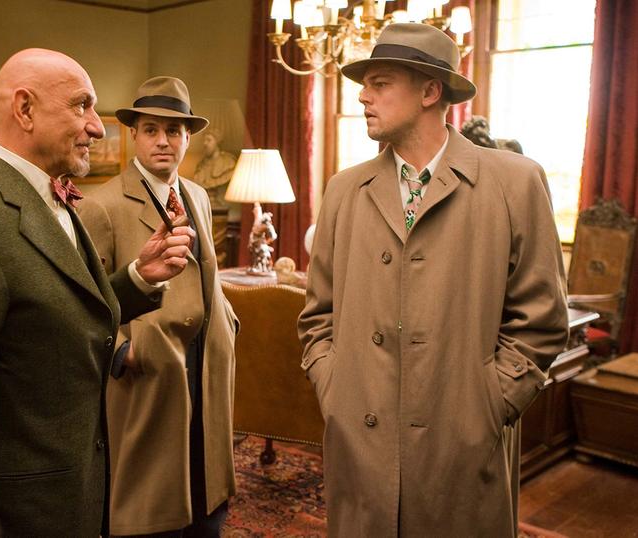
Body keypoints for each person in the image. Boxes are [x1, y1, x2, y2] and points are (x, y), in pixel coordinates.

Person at [0, 49, 196, 537]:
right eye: (82, 106)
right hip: (23, 513)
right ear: (25, 110)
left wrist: (140, 278)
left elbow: (60, 316)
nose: (98, 127)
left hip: (76, 492)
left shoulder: (51, 199)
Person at [298, 24, 569, 537]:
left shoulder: (515, 182)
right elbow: (318, 316)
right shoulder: (343, 189)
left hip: (462, 445)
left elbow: (543, 321)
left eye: (379, 83)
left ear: (429, 91)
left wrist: (488, 404)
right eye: (364, 84)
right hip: (360, 441)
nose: (362, 96)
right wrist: (335, 390)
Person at [79, 76, 238, 537]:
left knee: (205, 496)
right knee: (152, 508)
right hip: (147, 374)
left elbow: (206, 275)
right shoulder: (101, 205)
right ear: (134, 135)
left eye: (173, 130)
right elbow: (85, 304)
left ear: (188, 137)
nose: (162, 141)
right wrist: (123, 352)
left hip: (205, 366)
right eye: (151, 129)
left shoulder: (198, 196)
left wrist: (228, 322)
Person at [193, 127, 237, 206]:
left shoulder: (228, 163)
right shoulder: (201, 165)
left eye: (209, 140)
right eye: (204, 140)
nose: (205, 143)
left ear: (217, 142)